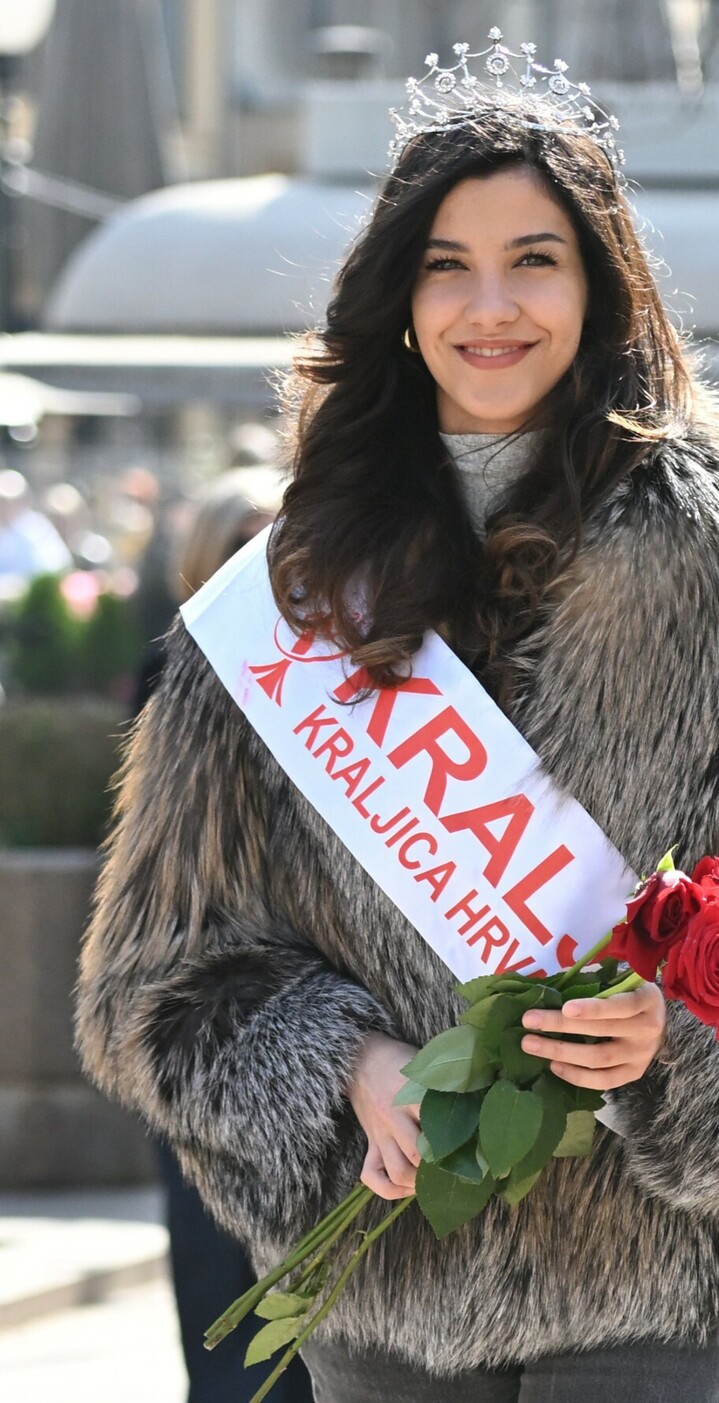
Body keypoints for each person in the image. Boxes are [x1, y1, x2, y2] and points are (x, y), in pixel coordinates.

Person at [76, 34, 719, 1403]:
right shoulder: (283, 593)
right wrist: (346, 1063)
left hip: (652, 1261)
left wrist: (681, 1033)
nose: (492, 304)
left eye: (536, 258)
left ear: (603, 284)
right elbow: (148, 985)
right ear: (396, 296)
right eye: (445, 262)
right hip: (387, 1269)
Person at [132, 465, 314, 1403]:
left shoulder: (362, 681)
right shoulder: (175, 689)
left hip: (339, 1049)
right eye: (246, 538)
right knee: (227, 1330)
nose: (270, 559)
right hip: (216, 1039)